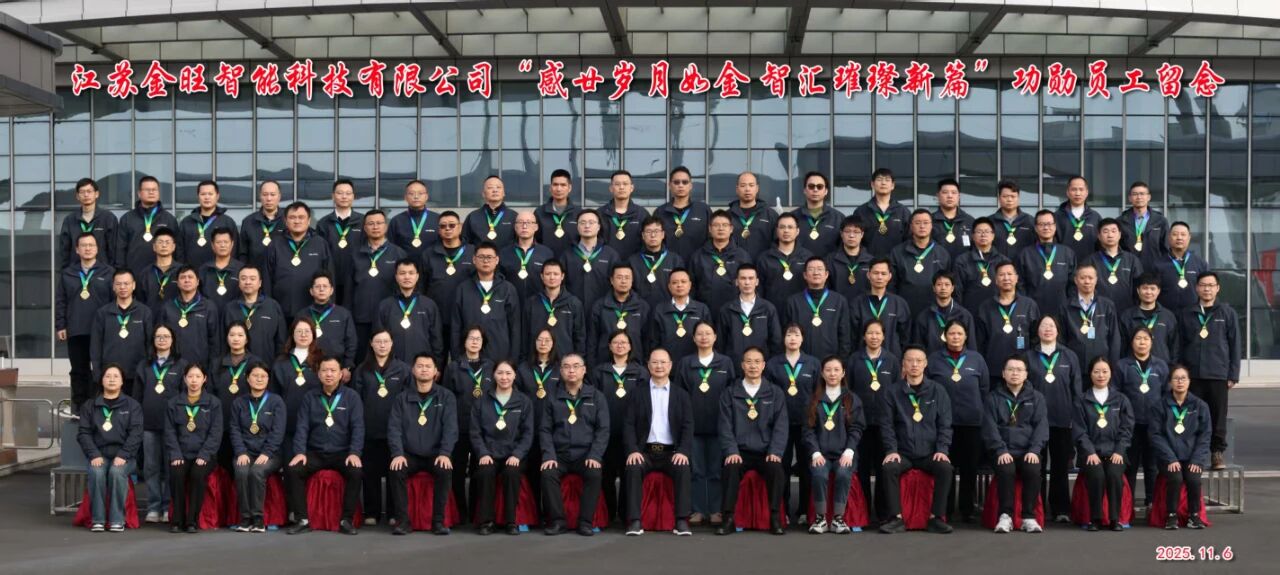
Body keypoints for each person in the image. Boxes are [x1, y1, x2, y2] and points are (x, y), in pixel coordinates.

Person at [877, 345, 954, 535]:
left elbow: (945, 425)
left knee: (945, 468)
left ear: (925, 364)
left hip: (929, 453)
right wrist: (891, 450)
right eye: (910, 360)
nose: (914, 364)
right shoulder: (892, 392)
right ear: (903, 364)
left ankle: (936, 518)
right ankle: (896, 518)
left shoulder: (938, 391)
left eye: (919, 361)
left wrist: (942, 450)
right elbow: (886, 425)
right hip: (903, 453)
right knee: (889, 468)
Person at [286, 356, 365, 535]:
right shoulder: (309, 397)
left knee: (356, 471)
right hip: (316, 452)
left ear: (341, 374)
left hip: (342, 453)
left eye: (333, 370)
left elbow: (358, 428)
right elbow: (302, 427)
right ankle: (302, 520)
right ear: (318, 374)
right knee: (294, 470)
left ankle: (346, 520)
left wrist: (354, 452)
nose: (329, 374)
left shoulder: (352, 397)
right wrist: (300, 452)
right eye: (324, 370)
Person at [623, 348, 695, 536]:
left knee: (683, 467)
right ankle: (635, 521)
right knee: (633, 467)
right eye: (655, 362)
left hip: (671, 452)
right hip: (644, 452)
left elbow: (688, 426)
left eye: (663, 362)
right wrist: (632, 450)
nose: (659, 366)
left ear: (670, 366)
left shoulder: (681, 394)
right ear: (648, 366)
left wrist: (683, 451)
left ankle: (681, 520)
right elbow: (628, 425)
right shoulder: (637, 394)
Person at [716, 347, 788, 536]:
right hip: (740, 451)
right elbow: (724, 426)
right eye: (748, 361)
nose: (753, 366)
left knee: (776, 470)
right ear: (742, 365)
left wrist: (775, 452)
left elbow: (781, 426)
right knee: (730, 469)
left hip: (766, 452)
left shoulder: (775, 393)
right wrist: (731, 451)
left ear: (764, 365)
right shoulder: (730, 393)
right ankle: (728, 518)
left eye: (757, 362)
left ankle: (775, 518)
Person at [1174, 271, 1240, 470]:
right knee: (1191, 415)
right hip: (1192, 375)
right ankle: (1193, 453)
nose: (1207, 289)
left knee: (1218, 416)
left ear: (1218, 288)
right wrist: (1179, 372)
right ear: (1196, 288)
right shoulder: (1186, 313)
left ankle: (1216, 453)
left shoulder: (1227, 313)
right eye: (1203, 285)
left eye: (1211, 285)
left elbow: (1235, 345)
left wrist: (1233, 374)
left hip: (1218, 374)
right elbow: (1179, 345)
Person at [540, 353, 610, 536]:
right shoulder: (552, 397)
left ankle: (585, 522)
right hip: (560, 454)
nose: (571, 370)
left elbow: (603, 430)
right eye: (566, 366)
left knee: (594, 473)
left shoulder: (596, 397)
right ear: (561, 371)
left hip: (585, 454)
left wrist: (595, 455)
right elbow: (545, 430)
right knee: (548, 473)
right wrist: (549, 455)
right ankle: (558, 521)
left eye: (576, 366)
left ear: (584, 370)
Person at [925, 321, 989, 522]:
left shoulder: (976, 359)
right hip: (943, 423)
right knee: (946, 467)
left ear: (966, 336)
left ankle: (967, 510)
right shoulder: (934, 359)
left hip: (971, 422)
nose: (955, 337)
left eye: (959, 333)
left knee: (970, 468)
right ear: (945, 336)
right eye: (951, 333)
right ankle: (946, 509)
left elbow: (984, 388)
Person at [387, 353, 457, 536]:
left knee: (444, 469)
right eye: (420, 366)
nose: (424, 369)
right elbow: (394, 429)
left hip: (436, 454)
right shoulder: (401, 398)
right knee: (396, 470)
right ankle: (403, 522)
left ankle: (438, 522)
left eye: (428, 366)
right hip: (409, 454)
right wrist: (398, 454)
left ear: (435, 371)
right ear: (413, 370)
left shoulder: (446, 397)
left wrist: (445, 453)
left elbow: (450, 428)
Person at [675, 321, 734, 526]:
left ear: (715, 337)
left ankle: (716, 510)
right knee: (697, 470)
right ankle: (698, 509)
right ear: (693, 338)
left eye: (708, 333)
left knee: (716, 470)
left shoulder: (725, 363)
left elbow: (732, 393)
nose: (704, 337)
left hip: (719, 426)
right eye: (699, 334)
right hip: (693, 427)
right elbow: (679, 395)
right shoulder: (685, 363)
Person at [980, 354, 1047, 533]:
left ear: (1026, 374)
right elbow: (989, 428)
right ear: (1003, 373)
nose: (1014, 373)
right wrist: (1001, 450)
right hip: (1003, 450)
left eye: (1019, 370)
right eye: (1010, 369)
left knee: (1033, 469)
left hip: (1027, 451)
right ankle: (1005, 516)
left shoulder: (1037, 398)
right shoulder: (993, 398)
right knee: (1006, 468)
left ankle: (1028, 517)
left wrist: (1034, 450)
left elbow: (1041, 427)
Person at [351, 331, 411, 525]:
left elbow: (408, 400)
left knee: (394, 470)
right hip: (370, 428)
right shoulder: (362, 369)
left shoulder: (403, 369)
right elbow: (357, 400)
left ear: (392, 343)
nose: (382, 345)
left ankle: (393, 513)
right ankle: (372, 512)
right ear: (371, 344)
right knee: (370, 472)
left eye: (386, 341)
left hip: (396, 430)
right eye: (378, 341)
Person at [1026, 315, 1081, 523]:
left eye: (1051, 326)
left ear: (1058, 330)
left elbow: (1076, 390)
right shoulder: (1028, 356)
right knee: (1036, 466)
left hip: (1062, 419)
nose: (1047, 329)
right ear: (1037, 331)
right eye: (1043, 326)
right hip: (1035, 421)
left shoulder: (1069, 356)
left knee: (1060, 466)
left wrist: (1075, 418)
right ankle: (1036, 507)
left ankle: (1061, 509)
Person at [471, 360, 536, 535]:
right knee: (485, 472)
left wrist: (517, 454)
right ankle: (486, 522)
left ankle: (511, 521)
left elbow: (528, 433)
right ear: (493, 375)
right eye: (500, 373)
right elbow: (475, 433)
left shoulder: (524, 402)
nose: (504, 377)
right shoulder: (481, 401)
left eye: (508, 373)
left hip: (513, 455)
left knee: (511, 473)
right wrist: (483, 453)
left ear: (515, 375)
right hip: (489, 454)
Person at [590, 330, 648, 521]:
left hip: (631, 433)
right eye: (616, 342)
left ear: (630, 346)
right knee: (606, 474)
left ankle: (625, 514)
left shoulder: (640, 372)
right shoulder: (599, 371)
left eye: (624, 342)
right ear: (609, 346)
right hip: (605, 432)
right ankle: (607, 514)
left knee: (628, 473)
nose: (620, 345)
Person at [803, 356, 866, 534]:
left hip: (843, 454)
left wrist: (849, 451)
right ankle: (820, 519)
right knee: (819, 474)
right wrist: (815, 453)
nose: (832, 374)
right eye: (828, 370)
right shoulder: (813, 399)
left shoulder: (851, 399)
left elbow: (857, 428)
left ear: (843, 373)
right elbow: (808, 430)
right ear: (822, 374)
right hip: (821, 454)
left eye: (836, 370)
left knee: (843, 473)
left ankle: (838, 518)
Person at [77, 365, 143, 532]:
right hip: (99, 455)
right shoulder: (90, 406)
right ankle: (98, 520)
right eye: (108, 376)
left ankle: (117, 520)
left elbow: (136, 434)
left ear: (122, 381)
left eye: (116, 376)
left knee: (116, 472)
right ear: (102, 381)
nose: (112, 379)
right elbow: (84, 433)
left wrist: (124, 454)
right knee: (96, 472)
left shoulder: (132, 405)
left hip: (124, 456)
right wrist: (93, 454)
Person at [1072, 357, 1135, 531]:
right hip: (1091, 453)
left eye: (1105, 371)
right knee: (1097, 475)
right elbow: (1079, 431)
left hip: (1115, 452)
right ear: (1090, 374)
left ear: (1111, 374)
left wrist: (1119, 451)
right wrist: (1090, 452)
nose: (1101, 375)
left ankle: (1115, 519)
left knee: (1114, 474)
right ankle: (1095, 518)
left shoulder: (1121, 399)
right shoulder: (1082, 400)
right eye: (1097, 371)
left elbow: (1127, 429)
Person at [765, 324, 820, 522]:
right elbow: (768, 393)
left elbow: (818, 393)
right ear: (784, 338)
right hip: (781, 424)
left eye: (796, 335)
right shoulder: (774, 364)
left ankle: (804, 510)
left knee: (806, 467)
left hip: (807, 424)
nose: (792, 338)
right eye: (789, 334)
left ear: (802, 339)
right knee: (782, 467)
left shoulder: (813, 363)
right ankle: (784, 511)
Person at [846, 320, 899, 521]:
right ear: (864, 336)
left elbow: (897, 391)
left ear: (884, 336)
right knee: (862, 468)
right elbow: (848, 390)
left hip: (885, 424)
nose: (874, 337)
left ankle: (883, 512)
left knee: (883, 467)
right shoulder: (854, 359)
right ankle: (863, 511)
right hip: (860, 423)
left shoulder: (892, 360)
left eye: (878, 333)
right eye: (870, 333)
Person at [58, 233, 115, 409]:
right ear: (77, 249)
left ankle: (100, 405)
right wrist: (60, 325)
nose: (88, 248)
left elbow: (114, 301)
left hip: (102, 330)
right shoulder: (68, 273)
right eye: (84, 245)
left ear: (97, 249)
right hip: (76, 330)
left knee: (101, 369)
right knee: (78, 370)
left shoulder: (108, 272)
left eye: (91, 245)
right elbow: (61, 301)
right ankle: (79, 407)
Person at [1149, 365, 1210, 530]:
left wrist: (1197, 459)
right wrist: (1170, 458)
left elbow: (1205, 436)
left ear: (1189, 381)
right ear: (1170, 382)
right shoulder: (1160, 406)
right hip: (1169, 458)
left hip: (1192, 457)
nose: (1180, 382)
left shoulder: (1200, 406)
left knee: (1193, 478)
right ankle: (1171, 515)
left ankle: (1194, 516)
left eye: (1183, 378)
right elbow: (1155, 435)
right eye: (1176, 378)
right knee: (1175, 477)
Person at [164, 363, 223, 533]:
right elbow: (169, 432)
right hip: (180, 453)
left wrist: (204, 454)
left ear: (204, 379)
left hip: (204, 455)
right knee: (176, 474)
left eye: (198, 376)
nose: (194, 380)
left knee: (197, 475)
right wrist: (175, 454)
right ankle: (177, 520)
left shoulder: (213, 403)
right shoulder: (173, 403)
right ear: (184, 379)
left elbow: (216, 432)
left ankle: (192, 520)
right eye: (190, 376)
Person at [444, 326, 495, 517]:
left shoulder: (491, 367)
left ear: (483, 343)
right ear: (464, 342)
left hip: (484, 428)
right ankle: (459, 512)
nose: (474, 341)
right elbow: (447, 398)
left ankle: (476, 512)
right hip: (460, 425)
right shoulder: (453, 367)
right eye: (471, 338)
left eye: (478, 338)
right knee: (457, 470)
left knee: (478, 470)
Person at [229, 361, 286, 533]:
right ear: (247, 378)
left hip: (270, 454)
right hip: (245, 452)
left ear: (268, 379)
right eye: (255, 375)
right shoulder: (238, 403)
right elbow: (234, 429)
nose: (259, 379)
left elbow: (278, 431)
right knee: (241, 471)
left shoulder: (276, 401)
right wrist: (241, 452)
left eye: (263, 376)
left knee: (257, 471)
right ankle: (245, 518)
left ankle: (258, 518)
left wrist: (267, 453)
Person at [1115, 328, 1169, 508]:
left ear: (1152, 342)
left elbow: (1166, 395)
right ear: (1132, 342)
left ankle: (1152, 502)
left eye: (1146, 338)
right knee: (1130, 465)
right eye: (1138, 338)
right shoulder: (1122, 366)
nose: (1142, 342)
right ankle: (1127, 505)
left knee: (1151, 466)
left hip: (1153, 425)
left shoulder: (1161, 366)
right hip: (1130, 424)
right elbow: (1116, 394)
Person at [136, 325, 184, 523]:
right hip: (149, 425)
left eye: (166, 336)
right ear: (153, 340)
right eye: (158, 336)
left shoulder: (181, 365)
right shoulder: (144, 365)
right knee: (151, 467)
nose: (162, 339)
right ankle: (154, 506)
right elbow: (137, 397)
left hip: (172, 427)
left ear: (173, 340)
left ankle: (167, 506)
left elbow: (184, 397)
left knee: (170, 468)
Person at [347, 209, 404, 364]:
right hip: (361, 318)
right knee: (362, 360)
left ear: (386, 226)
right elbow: (349, 289)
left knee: (389, 361)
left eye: (379, 223)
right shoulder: (355, 254)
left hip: (389, 318)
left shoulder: (398, 254)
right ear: (365, 228)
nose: (375, 227)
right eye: (371, 224)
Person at [451, 242, 522, 363]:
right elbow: (456, 326)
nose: (485, 261)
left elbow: (514, 327)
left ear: (497, 260)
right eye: (481, 257)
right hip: (470, 357)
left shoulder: (507, 289)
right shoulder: (463, 289)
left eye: (489, 257)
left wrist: (513, 359)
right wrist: (456, 357)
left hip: (500, 356)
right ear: (474, 260)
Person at [264, 202, 334, 321]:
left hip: (314, 312)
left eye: (301, 217)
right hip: (281, 310)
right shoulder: (275, 244)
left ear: (309, 220)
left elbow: (330, 276)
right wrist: (269, 307)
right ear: (286, 221)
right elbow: (266, 278)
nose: (297, 221)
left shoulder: (320, 243)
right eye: (292, 217)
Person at [90, 269, 154, 397]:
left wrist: (148, 372)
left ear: (133, 285)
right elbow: (95, 345)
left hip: (136, 374)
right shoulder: (103, 313)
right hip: (111, 376)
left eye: (126, 283)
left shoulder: (144, 312)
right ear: (113, 286)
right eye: (118, 284)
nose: (122, 287)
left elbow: (150, 344)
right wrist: (97, 373)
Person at [517, 328, 562, 498]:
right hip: (530, 427)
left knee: (550, 472)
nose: (543, 344)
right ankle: (534, 509)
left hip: (553, 430)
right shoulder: (523, 368)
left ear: (553, 344)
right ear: (534, 343)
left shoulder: (560, 368)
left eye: (547, 340)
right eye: (540, 340)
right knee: (532, 473)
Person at [375, 259, 443, 365]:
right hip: (392, 365)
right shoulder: (385, 306)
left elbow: (436, 339)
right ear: (396, 277)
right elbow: (378, 338)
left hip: (421, 365)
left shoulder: (429, 305)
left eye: (411, 273)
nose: (407, 277)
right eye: (402, 273)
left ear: (417, 276)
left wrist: (437, 365)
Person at [211, 322, 259, 468]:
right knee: (224, 465)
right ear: (226, 338)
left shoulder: (256, 363)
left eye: (240, 335)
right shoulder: (216, 363)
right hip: (222, 422)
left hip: (249, 423)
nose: (236, 338)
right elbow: (210, 393)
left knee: (243, 467)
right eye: (232, 335)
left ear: (247, 339)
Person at [974, 261, 1040, 368]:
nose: (1006, 278)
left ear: (1016, 278)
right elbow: (980, 342)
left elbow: (1036, 339)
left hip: (1021, 369)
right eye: (1001, 275)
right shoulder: (985, 308)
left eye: (1009, 274)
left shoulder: (1029, 305)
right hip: (993, 368)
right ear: (996, 280)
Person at [423, 211, 475, 346]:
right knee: (437, 354)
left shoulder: (473, 252)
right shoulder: (428, 254)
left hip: (466, 316)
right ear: (438, 230)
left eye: (452, 225)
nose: (447, 229)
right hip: (437, 317)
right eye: (443, 226)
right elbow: (422, 286)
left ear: (460, 227)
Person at [784, 258, 852, 360]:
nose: (816, 273)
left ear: (826, 274)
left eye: (820, 269)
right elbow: (787, 334)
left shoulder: (839, 301)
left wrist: (840, 361)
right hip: (801, 362)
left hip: (830, 363)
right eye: (811, 269)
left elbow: (845, 336)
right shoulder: (793, 302)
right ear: (805, 275)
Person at [117, 176, 181, 282]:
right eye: (147, 190)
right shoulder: (127, 219)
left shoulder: (169, 219)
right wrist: (121, 273)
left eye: (154, 190)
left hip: (164, 275)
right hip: (134, 275)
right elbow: (120, 249)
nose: (151, 192)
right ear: (139, 193)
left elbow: (177, 249)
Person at [272, 319, 322, 455]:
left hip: (315, 423)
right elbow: (274, 394)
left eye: (307, 331)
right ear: (292, 335)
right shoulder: (281, 361)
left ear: (313, 334)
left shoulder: (321, 360)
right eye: (299, 331)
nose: (303, 335)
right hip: (287, 422)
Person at [890, 209, 952, 318]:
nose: (922, 226)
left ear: (932, 226)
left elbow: (949, 284)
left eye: (926, 223)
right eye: (917, 223)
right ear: (911, 226)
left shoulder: (942, 253)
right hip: (905, 309)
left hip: (935, 312)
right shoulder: (897, 252)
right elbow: (891, 284)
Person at [1058, 263, 1122, 369]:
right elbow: (1062, 339)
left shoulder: (1107, 305)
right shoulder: (1066, 307)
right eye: (1082, 278)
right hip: (1075, 365)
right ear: (1076, 280)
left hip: (1101, 367)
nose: (1087, 281)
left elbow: (1114, 338)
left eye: (1090, 278)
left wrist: (1112, 366)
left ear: (1096, 280)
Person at [159, 265, 221, 371]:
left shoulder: (209, 307)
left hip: (199, 368)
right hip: (172, 366)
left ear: (197, 282)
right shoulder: (167, 307)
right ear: (177, 283)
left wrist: (212, 368)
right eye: (183, 277)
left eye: (190, 277)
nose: (187, 280)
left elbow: (214, 341)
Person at [715, 264, 783, 360]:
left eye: (751, 278)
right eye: (743, 278)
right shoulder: (726, 309)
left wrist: (768, 364)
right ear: (736, 282)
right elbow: (720, 343)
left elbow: (776, 341)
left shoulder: (768, 308)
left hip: (760, 365)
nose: (747, 282)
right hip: (734, 364)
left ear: (757, 282)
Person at [223, 265, 288, 366]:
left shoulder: (272, 306)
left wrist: (278, 365)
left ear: (260, 283)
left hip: (265, 367)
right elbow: (222, 341)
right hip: (236, 369)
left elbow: (281, 340)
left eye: (252, 279)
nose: (248, 282)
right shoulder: (229, 308)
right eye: (243, 278)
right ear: (239, 283)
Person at [586, 264, 649, 366]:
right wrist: (592, 366)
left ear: (632, 280)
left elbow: (647, 340)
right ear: (611, 280)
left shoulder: (642, 306)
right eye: (619, 277)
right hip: (605, 364)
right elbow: (592, 340)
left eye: (627, 278)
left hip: (635, 364)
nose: (623, 281)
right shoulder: (600, 306)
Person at [645, 268, 710, 365]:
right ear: (669, 287)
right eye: (675, 282)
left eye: (683, 282)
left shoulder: (702, 309)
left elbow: (709, 340)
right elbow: (653, 341)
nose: (679, 285)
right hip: (666, 366)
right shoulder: (659, 310)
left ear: (690, 285)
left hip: (695, 366)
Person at [848, 258, 912, 358]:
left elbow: (905, 337)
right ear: (868, 275)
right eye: (876, 273)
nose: (879, 277)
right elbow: (852, 336)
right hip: (862, 359)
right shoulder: (857, 303)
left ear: (890, 276)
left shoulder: (899, 304)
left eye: (883, 274)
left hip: (893, 359)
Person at [560, 209, 620, 312]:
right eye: (582, 223)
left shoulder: (610, 255)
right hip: (572, 309)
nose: (587, 226)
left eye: (591, 222)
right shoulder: (567, 255)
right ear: (577, 227)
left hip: (604, 310)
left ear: (598, 227)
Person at [315, 179, 365, 305]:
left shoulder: (363, 221)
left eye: (348, 193)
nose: (344, 196)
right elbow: (320, 253)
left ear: (353, 196)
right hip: (331, 279)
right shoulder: (323, 223)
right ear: (333, 196)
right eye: (340, 193)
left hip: (357, 277)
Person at [1017, 210, 1076, 316]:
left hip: (1062, 310)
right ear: (1036, 228)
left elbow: (1073, 284)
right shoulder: (1025, 254)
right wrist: (1026, 307)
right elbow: (1020, 285)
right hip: (1033, 311)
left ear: (1055, 226)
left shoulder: (1067, 253)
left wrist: (1069, 306)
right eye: (1041, 224)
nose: (1046, 228)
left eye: (1049, 224)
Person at [524, 259, 585, 358]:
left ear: (562, 276)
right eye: (548, 274)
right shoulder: (532, 302)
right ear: (542, 276)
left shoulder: (574, 303)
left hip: (564, 360)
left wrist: (577, 360)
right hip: (537, 360)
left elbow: (580, 337)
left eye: (556, 274)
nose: (552, 277)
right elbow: (524, 335)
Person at [691, 210, 752, 309]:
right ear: (710, 229)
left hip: (735, 311)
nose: (720, 228)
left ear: (731, 229)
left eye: (725, 225)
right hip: (705, 310)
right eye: (716, 225)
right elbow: (692, 287)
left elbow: (750, 286)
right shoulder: (698, 256)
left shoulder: (742, 256)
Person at [951, 217, 1010, 314]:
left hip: (999, 314)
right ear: (973, 236)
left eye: (987, 231)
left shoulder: (1003, 261)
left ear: (993, 235)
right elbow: (957, 292)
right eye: (979, 232)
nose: (983, 235)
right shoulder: (962, 261)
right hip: (970, 313)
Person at [58, 177, 118, 270]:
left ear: (96, 194)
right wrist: (66, 271)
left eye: (89, 191)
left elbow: (114, 249)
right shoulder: (70, 220)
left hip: (102, 272)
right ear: (77, 196)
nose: (86, 195)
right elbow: (64, 250)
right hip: (76, 272)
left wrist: (111, 271)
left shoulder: (108, 218)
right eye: (82, 192)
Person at [305, 273, 357, 378]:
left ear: (332, 290)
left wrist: (347, 367)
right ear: (311, 291)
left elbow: (351, 342)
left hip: (336, 369)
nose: (321, 289)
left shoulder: (343, 314)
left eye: (325, 286)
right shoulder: (303, 315)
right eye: (317, 286)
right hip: (309, 367)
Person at [911, 271, 976, 355]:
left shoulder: (965, 315)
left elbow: (971, 347)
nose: (943, 288)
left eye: (947, 284)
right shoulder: (924, 317)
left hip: (959, 362)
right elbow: (918, 349)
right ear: (934, 288)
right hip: (932, 362)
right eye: (939, 284)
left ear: (952, 288)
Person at [178, 180, 238, 269]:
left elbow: (235, 250)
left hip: (219, 273)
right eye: (203, 194)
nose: (207, 197)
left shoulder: (227, 222)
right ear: (198, 197)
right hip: (192, 274)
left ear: (217, 196)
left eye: (210, 194)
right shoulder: (186, 222)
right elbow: (179, 252)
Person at [1087, 218, 1144, 313]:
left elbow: (1140, 286)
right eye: (1105, 231)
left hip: (1127, 312)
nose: (1110, 235)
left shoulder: (1132, 260)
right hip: (1099, 312)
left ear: (1120, 235)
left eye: (1114, 231)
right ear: (1099, 236)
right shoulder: (1090, 261)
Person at [628, 216, 685, 310]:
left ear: (663, 234)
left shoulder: (675, 260)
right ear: (643, 235)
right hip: (639, 312)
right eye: (648, 231)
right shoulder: (632, 261)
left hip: (668, 312)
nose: (653, 235)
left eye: (656, 231)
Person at [852, 168, 911, 258]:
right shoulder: (861, 211)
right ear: (872, 184)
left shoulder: (903, 212)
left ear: (893, 185)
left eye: (887, 180)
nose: (883, 183)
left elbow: (909, 240)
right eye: (879, 179)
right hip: (868, 262)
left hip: (896, 262)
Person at [1119, 273, 1178, 362]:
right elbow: (1122, 346)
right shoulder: (1127, 316)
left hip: (1162, 367)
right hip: (1132, 366)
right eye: (1145, 288)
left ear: (1158, 291)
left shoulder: (1168, 316)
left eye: (1152, 289)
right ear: (1138, 290)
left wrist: (1172, 366)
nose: (1148, 292)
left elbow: (1175, 347)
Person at [499, 211, 555, 305]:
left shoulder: (546, 253)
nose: (524, 226)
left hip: (540, 306)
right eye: (520, 222)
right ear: (515, 227)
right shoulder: (504, 253)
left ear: (536, 227)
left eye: (529, 222)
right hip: (510, 305)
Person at [655, 166, 709, 260]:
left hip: (697, 265)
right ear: (669, 185)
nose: (680, 185)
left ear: (690, 185)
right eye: (676, 182)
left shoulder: (703, 210)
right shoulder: (660, 212)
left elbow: (711, 240)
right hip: (668, 265)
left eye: (685, 182)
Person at [1153, 222, 1209, 313]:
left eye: (1183, 234)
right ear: (1169, 237)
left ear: (1189, 237)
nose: (1179, 238)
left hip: (1193, 315)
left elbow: (1207, 289)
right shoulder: (1158, 264)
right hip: (1166, 315)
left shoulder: (1200, 263)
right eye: (1175, 234)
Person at [599, 170, 650, 260]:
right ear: (611, 188)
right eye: (617, 184)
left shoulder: (642, 214)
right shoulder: (600, 213)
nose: (621, 187)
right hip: (607, 263)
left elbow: (647, 242)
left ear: (631, 188)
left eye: (625, 184)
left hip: (635, 264)